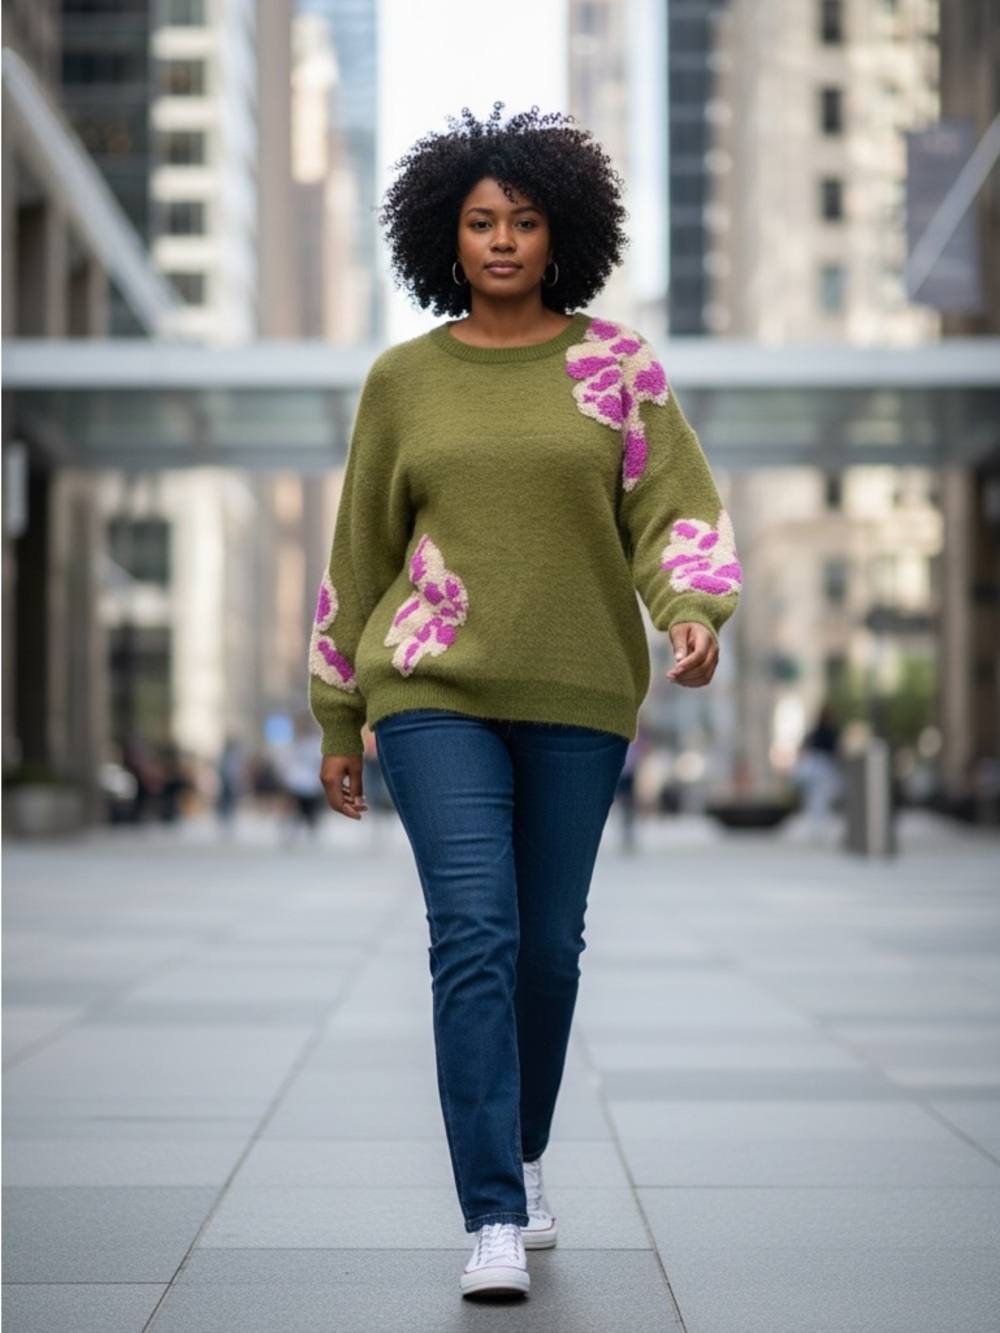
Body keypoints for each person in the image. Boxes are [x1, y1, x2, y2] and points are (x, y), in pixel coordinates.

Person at [309, 105, 741, 1300]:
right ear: (445, 238)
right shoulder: (402, 381)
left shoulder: (617, 367)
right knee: (477, 937)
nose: (503, 240)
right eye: (481, 221)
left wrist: (692, 610)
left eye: (525, 220)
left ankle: (524, 1149)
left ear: (564, 234)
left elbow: (669, 510)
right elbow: (360, 554)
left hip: (576, 690)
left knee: (547, 949)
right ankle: (491, 1210)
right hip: (429, 690)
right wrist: (338, 710)